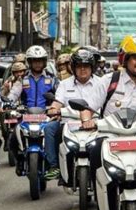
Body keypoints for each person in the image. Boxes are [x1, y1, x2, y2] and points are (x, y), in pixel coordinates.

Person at [79, 33, 136, 177]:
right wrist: (86, 121)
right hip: (110, 136)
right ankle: (99, 195)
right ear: (125, 59)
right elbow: (87, 108)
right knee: (95, 152)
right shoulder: (108, 81)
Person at [43, 49, 102, 181]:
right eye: (79, 66)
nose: (82, 69)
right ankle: (54, 166)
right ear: (73, 68)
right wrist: (53, 109)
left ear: (92, 67)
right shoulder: (64, 84)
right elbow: (57, 102)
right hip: (68, 122)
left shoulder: (102, 83)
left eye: (86, 66)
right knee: (49, 128)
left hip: (95, 122)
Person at [7, 45, 58, 175]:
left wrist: (58, 105)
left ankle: (54, 165)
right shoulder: (22, 79)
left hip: (46, 115)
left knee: (57, 136)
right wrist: (7, 102)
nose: (37, 63)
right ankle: (19, 160)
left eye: (40, 60)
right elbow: (13, 94)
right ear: (29, 62)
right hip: (26, 115)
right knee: (13, 137)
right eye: (34, 61)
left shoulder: (52, 79)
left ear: (44, 61)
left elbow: (61, 96)